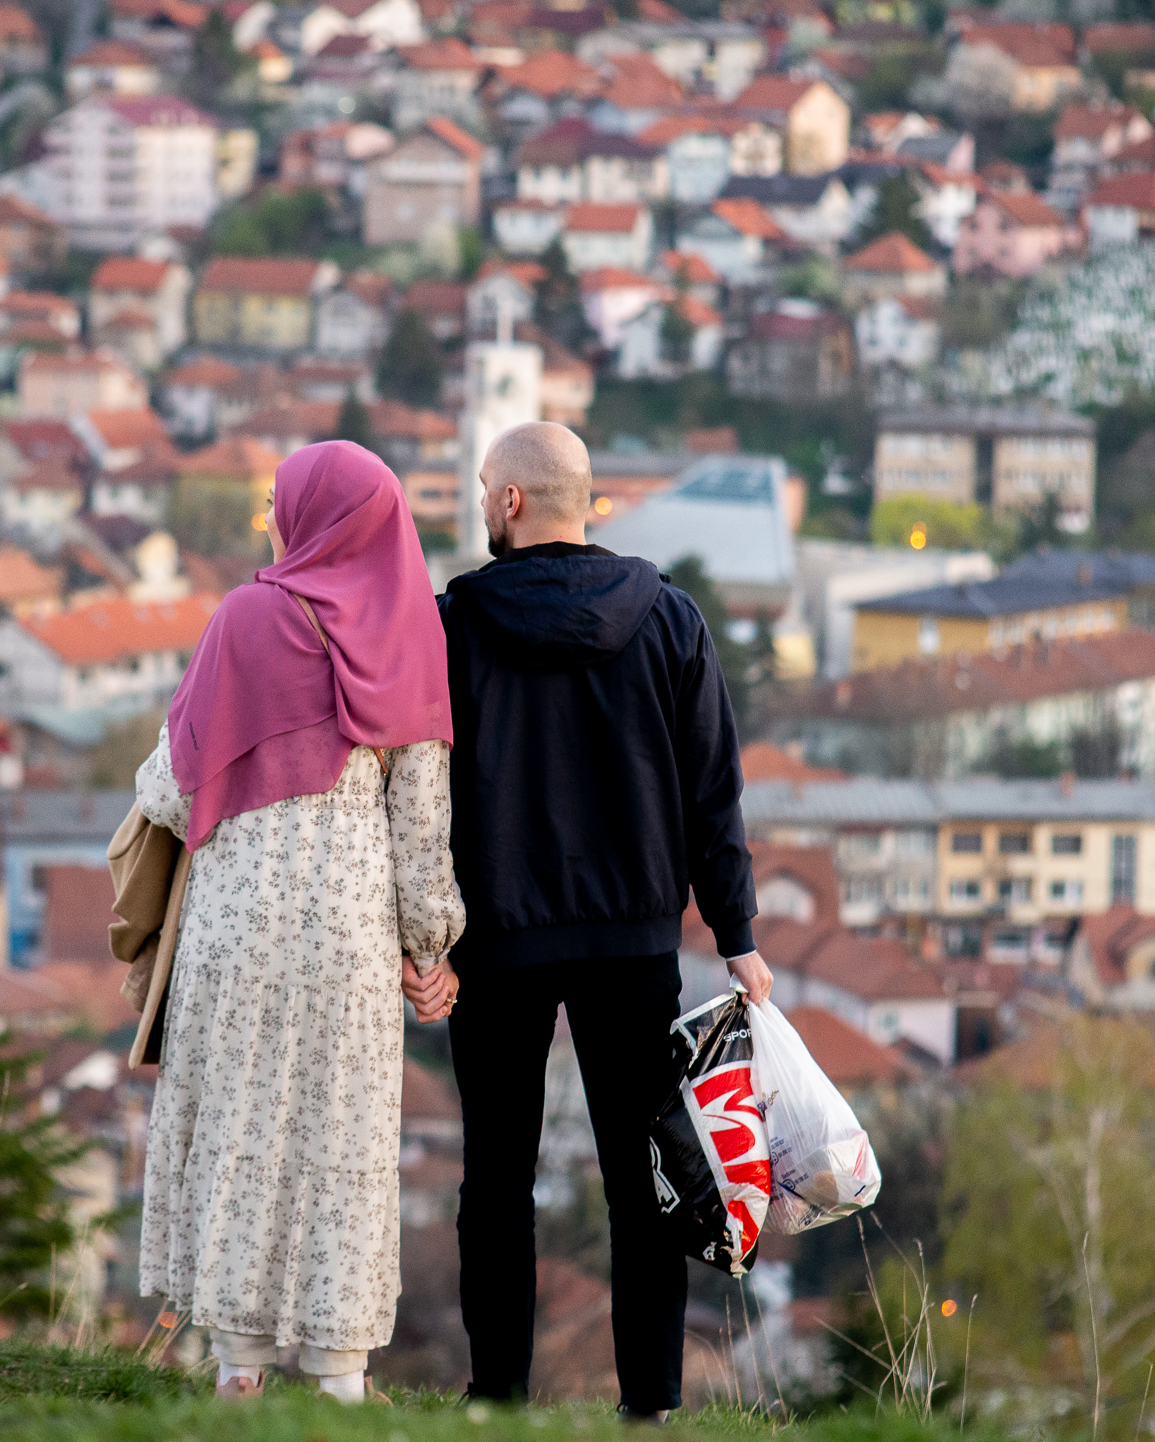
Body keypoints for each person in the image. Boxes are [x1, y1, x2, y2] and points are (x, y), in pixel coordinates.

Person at [408, 421, 770, 1420]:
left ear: (514, 502)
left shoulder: (454, 622)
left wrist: (423, 935)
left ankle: (496, 1398)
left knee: (497, 1177)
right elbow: (713, 793)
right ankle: (650, 1403)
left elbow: (420, 791)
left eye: (488, 488)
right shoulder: (672, 618)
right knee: (642, 1171)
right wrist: (737, 933)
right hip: (634, 942)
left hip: (500, 939)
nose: (484, 502)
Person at [136, 440, 466, 1403]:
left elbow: (167, 788)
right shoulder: (412, 638)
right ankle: (339, 1378)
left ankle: (238, 1368)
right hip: (349, 933)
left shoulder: (243, 619)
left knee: (240, 1126)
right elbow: (421, 825)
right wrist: (432, 950)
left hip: (236, 929)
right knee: (342, 1140)